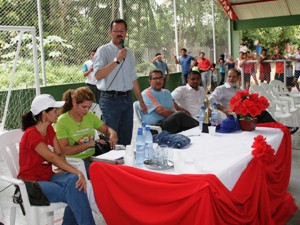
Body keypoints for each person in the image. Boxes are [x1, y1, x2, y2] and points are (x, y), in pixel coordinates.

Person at [18, 94, 95, 225]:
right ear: (44, 114)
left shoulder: (49, 129)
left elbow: (59, 153)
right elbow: (52, 157)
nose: (58, 113)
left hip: (48, 177)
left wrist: (66, 169)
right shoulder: (32, 134)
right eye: (55, 111)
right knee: (77, 192)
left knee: (74, 182)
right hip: (31, 185)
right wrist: (77, 172)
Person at [93, 18, 147, 146]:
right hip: (110, 99)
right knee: (111, 139)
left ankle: (124, 164)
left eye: (122, 31)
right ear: (110, 33)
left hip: (127, 99)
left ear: (126, 33)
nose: (119, 33)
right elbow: (98, 75)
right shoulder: (103, 51)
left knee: (126, 137)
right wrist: (117, 60)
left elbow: (133, 77)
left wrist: (141, 101)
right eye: (116, 30)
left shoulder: (130, 52)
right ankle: (109, 164)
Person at [55, 87, 118, 177]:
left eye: (89, 107)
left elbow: (106, 129)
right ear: (74, 102)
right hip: (75, 161)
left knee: (115, 171)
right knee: (104, 176)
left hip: (92, 158)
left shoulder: (90, 115)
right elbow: (65, 150)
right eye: (84, 107)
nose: (87, 110)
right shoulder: (62, 121)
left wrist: (112, 134)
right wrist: (89, 144)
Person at [141, 69, 198, 134]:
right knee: (180, 115)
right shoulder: (146, 93)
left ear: (163, 79)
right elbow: (161, 111)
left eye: (160, 78)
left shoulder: (167, 92)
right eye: (155, 78)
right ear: (149, 81)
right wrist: (180, 114)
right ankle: (202, 128)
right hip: (154, 128)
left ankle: (202, 130)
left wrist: (188, 115)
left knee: (190, 130)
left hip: (169, 124)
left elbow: (177, 107)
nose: (158, 81)